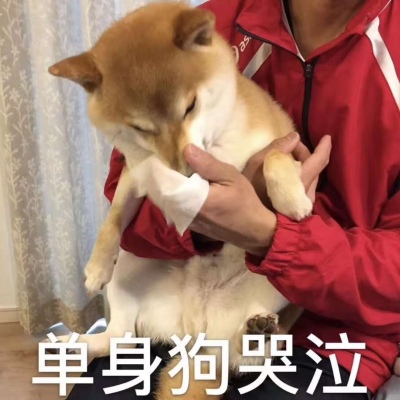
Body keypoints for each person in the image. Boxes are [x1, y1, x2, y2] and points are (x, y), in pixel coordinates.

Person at [67, 0, 400, 399]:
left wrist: (269, 235)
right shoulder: (209, 25)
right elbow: (131, 201)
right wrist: (206, 224)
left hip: (339, 334)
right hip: (179, 289)